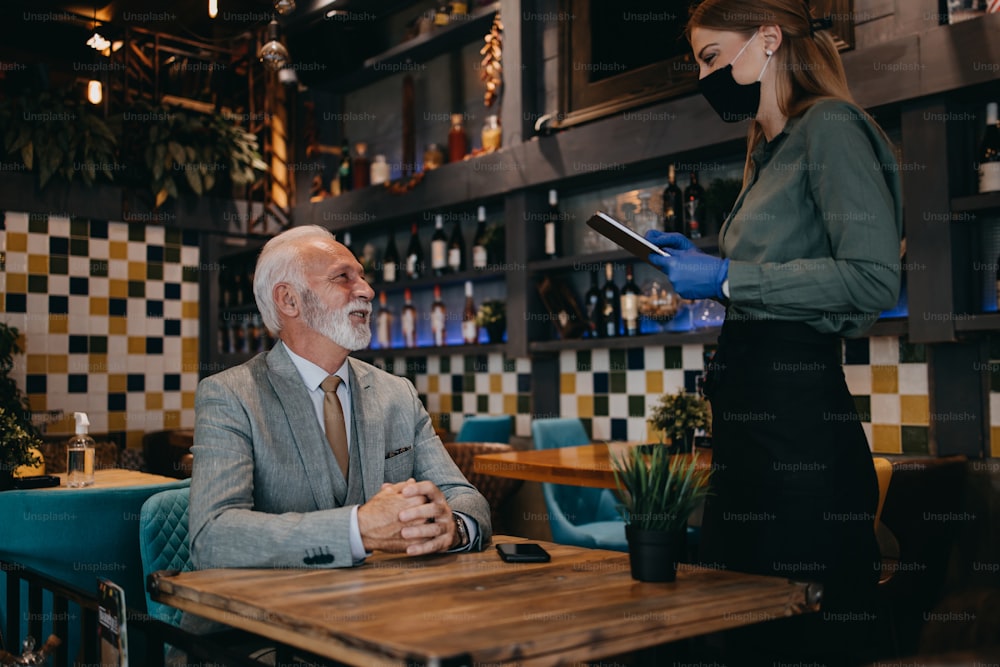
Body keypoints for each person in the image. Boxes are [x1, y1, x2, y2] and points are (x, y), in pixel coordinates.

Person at [644, 1, 902, 664]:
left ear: (767, 38)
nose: (706, 77)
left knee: (801, 626)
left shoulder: (832, 127)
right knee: (739, 619)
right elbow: (781, 265)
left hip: (798, 421)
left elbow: (873, 280)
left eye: (710, 58)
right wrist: (701, 261)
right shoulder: (767, 148)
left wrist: (729, 278)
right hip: (749, 421)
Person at [189, 225, 491, 571]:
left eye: (362, 276)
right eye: (343, 277)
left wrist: (452, 528)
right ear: (289, 300)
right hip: (263, 616)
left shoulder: (398, 394)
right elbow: (212, 538)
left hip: (387, 609)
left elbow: (467, 499)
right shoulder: (230, 396)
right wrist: (357, 530)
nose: (367, 290)